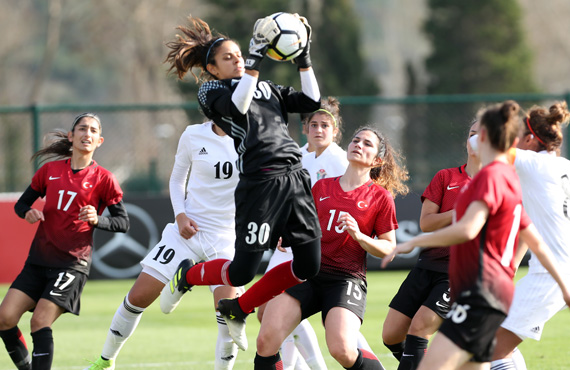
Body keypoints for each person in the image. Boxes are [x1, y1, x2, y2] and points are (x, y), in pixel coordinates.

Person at [159, 14, 322, 354]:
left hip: (294, 177)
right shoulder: (212, 90)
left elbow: (311, 103)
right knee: (241, 272)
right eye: (227, 58)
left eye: (238, 54)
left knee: (309, 266)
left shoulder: (267, 87)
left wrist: (304, 57)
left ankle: (237, 308)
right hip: (259, 182)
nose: (235, 60)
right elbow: (239, 106)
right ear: (213, 69)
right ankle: (187, 276)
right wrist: (255, 58)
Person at [382, 100, 570, 370]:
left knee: (472, 357)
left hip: (483, 290)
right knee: (480, 358)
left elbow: (467, 229)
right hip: (505, 287)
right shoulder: (534, 176)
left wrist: (411, 242)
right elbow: (535, 240)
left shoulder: (497, 175)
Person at [83, 120, 242, 370]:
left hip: (225, 237)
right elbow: (177, 179)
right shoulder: (193, 134)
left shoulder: (253, 136)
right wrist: (180, 215)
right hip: (186, 232)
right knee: (138, 296)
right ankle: (105, 361)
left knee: (229, 316)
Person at [256, 126, 409, 370]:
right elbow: (304, 226)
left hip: (345, 279)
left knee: (342, 350)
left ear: (377, 160)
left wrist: (359, 235)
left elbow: (388, 248)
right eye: (356, 140)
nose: (358, 144)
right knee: (266, 340)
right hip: (307, 272)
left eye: (367, 144)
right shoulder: (322, 187)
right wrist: (288, 233)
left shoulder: (380, 197)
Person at [0, 113, 129, 370]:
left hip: (71, 264)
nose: (87, 134)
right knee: (4, 318)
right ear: (71, 136)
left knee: (39, 321)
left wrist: (98, 220)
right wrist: (28, 212)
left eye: (93, 130)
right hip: (38, 261)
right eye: (82, 128)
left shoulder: (104, 179)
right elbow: (22, 203)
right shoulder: (49, 171)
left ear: (99, 140)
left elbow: (122, 222)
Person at [382, 119, 481, 369]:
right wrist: (458, 212)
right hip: (426, 265)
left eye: (483, 134)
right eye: (471, 133)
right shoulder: (445, 176)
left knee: (420, 327)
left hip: (460, 271)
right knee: (391, 335)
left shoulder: (492, 184)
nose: (475, 138)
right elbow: (426, 224)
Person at [257, 97, 348, 370]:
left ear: (335, 131)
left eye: (325, 125)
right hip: (289, 245)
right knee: (267, 313)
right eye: (314, 124)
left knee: (279, 312)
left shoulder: (340, 161)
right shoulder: (295, 156)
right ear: (305, 128)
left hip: (316, 248)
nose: (319, 130)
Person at [490, 102, 570, 370]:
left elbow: (482, 142)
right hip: (555, 272)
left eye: (517, 136)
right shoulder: (564, 166)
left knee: (491, 351)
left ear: (528, 139)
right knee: (493, 338)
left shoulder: (531, 162)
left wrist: (502, 118)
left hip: (549, 277)